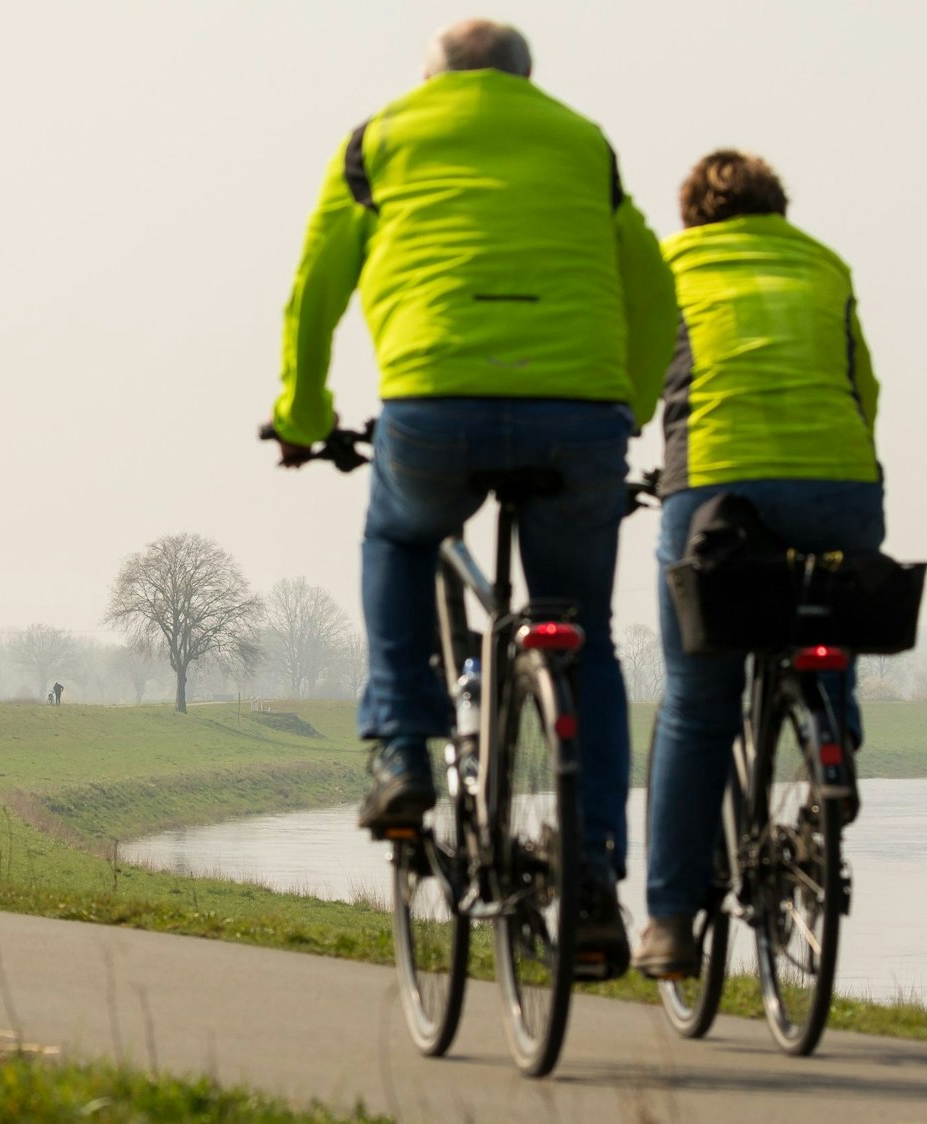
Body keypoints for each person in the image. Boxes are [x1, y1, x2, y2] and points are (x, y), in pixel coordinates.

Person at [269, 19, 676, 973]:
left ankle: (403, 750)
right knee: (584, 637)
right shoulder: (583, 141)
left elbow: (317, 284)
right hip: (579, 414)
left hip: (435, 401)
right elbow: (653, 287)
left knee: (401, 538)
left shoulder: (378, 140)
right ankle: (593, 874)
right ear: (524, 79)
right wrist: (626, 403)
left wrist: (303, 415)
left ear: (433, 79)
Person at [634, 150, 885, 977]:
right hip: (840, 484)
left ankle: (671, 923)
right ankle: (830, 744)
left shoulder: (673, 264)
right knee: (824, 618)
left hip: (715, 485)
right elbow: (864, 387)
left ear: (692, 215)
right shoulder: (826, 265)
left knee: (697, 700)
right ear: (777, 208)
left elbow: (638, 375)